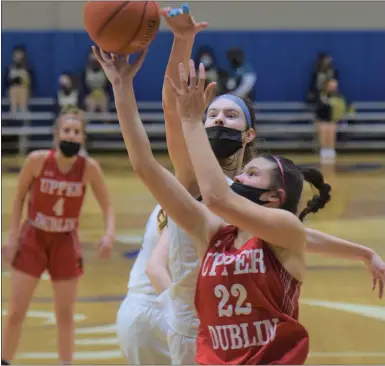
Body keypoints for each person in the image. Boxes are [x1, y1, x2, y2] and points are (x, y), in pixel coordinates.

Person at [93, 46, 332, 364]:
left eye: (230, 115)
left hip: (251, 342)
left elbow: (301, 236)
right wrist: (124, 87)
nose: (219, 119)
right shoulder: (197, 199)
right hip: (198, 335)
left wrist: (364, 254)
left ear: (249, 135)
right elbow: (148, 159)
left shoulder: (257, 207)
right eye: (212, 114)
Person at [1, 105, 115, 366]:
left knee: (65, 314)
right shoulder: (37, 160)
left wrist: (108, 234)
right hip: (34, 238)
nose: (71, 135)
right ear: (56, 134)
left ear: (83, 137)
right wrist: (12, 236)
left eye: (76, 131)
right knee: (16, 310)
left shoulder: (89, 168)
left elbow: (107, 205)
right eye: (67, 130)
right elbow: (18, 197)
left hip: (65, 240)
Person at [115, 206, 171, 364]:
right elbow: (155, 268)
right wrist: (181, 316)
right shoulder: (198, 200)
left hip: (140, 312)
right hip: (158, 313)